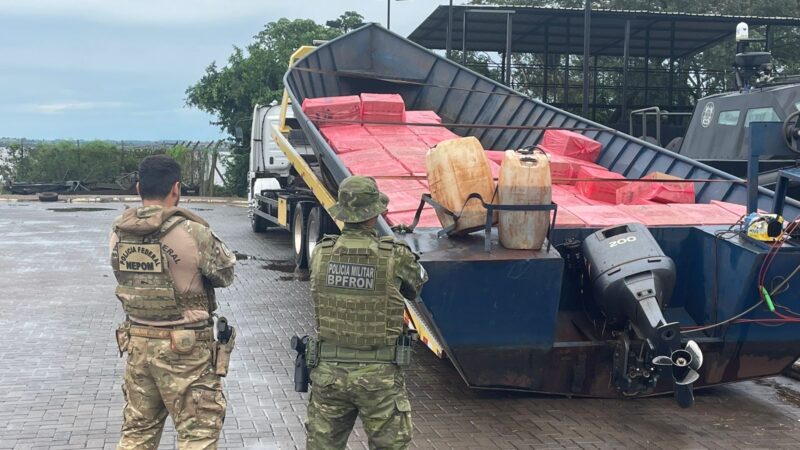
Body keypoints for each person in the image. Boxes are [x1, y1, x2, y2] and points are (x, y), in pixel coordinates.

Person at [109, 155, 237, 449]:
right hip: (186, 349)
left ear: (138, 188)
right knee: (198, 434)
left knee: (137, 432)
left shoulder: (118, 232)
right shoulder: (193, 232)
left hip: (137, 344)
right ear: (176, 188)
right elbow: (225, 275)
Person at [305, 175, 428, 450]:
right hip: (379, 377)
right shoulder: (394, 254)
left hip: (329, 375)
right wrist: (401, 245)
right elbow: (417, 285)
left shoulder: (321, 252)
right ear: (374, 214)